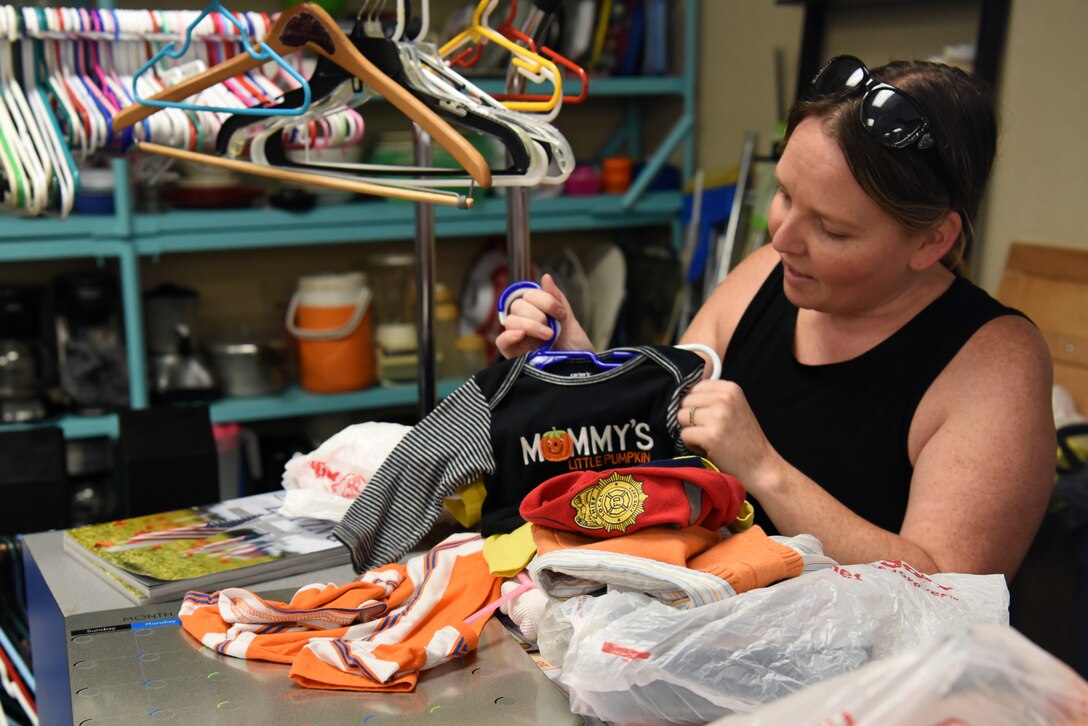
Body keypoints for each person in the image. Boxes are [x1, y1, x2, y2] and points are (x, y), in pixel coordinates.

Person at [496, 56, 1055, 581]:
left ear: (933, 240)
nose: (781, 237)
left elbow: (950, 595)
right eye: (784, 195)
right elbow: (664, 455)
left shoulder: (994, 362)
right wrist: (582, 376)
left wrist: (765, 470)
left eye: (832, 230)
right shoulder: (767, 274)